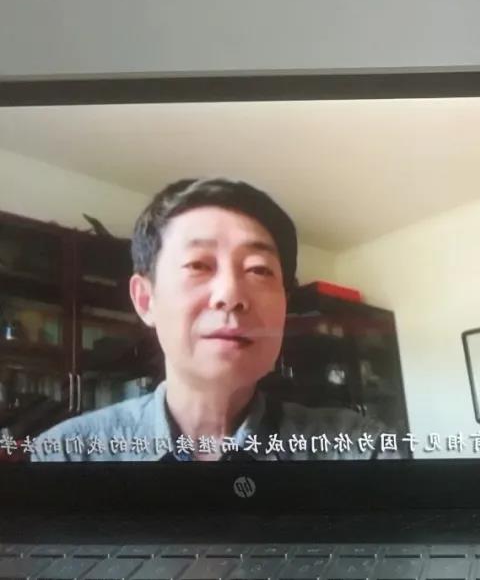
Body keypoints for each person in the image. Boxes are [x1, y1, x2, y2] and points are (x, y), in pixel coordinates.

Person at [34, 177, 395, 462]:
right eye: (198, 265)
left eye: (259, 270)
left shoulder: (359, 449)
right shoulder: (68, 454)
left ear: (285, 306)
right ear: (145, 300)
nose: (230, 295)